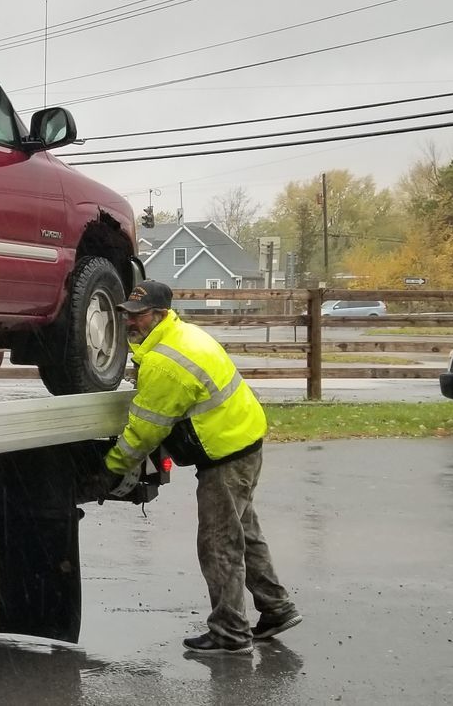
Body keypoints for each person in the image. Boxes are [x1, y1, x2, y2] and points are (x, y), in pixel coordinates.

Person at [104, 279, 301, 655]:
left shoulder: (167, 360)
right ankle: (276, 607)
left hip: (225, 455)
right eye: (127, 314)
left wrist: (113, 465)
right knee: (244, 532)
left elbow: (146, 430)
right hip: (242, 442)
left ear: (159, 315)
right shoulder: (182, 334)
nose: (131, 322)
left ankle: (230, 632)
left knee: (217, 544)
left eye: (138, 315)